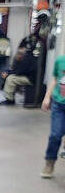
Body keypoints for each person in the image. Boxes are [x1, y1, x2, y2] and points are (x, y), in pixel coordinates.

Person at [40, 49, 65, 177]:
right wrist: (47, 97)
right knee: (55, 134)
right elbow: (55, 79)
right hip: (59, 104)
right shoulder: (60, 60)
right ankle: (50, 162)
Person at [1, 37, 38, 103]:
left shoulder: (28, 57)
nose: (20, 50)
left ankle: (9, 99)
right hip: (24, 76)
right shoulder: (20, 56)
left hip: (29, 78)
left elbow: (20, 71)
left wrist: (8, 74)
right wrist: (7, 72)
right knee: (9, 76)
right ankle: (9, 97)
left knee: (10, 79)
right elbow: (15, 69)